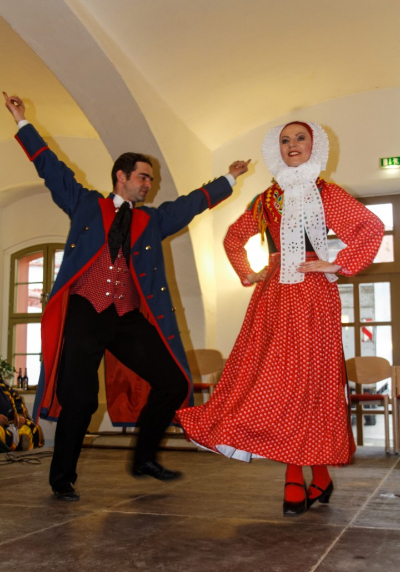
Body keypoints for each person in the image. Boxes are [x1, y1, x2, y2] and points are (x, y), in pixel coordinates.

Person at [4, 91, 250, 501]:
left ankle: (143, 458)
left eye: (150, 179)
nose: (149, 184)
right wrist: (22, 121)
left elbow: (189, 205)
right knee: (81, 400)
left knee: (173, 382)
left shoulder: (151, 221)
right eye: (143, 177)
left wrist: (228, 180)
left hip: (125, 315)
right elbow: (51, 167)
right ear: (121, 176)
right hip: (85, 309)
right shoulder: (86, 204)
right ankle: (62, 478)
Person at [177, 121, 384, 516]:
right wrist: (249, 273)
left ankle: (299, 475)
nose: (292, 145)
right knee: (276, 381)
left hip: (313, 295)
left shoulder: (326, 193)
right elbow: (232, 238)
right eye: (285, 140)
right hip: (274, 296)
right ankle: (315, 475)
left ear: (313, 145)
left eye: (300, 138)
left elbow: (370, 227)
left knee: (311, 382)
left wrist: (336, 264)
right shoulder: (267, 199)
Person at [0, 375, 44, 451]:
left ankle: (23, 452)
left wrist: (20, 415)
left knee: (31, 428)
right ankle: (16, 449)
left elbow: (16, 398)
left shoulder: (2, 385)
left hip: (10, 422)